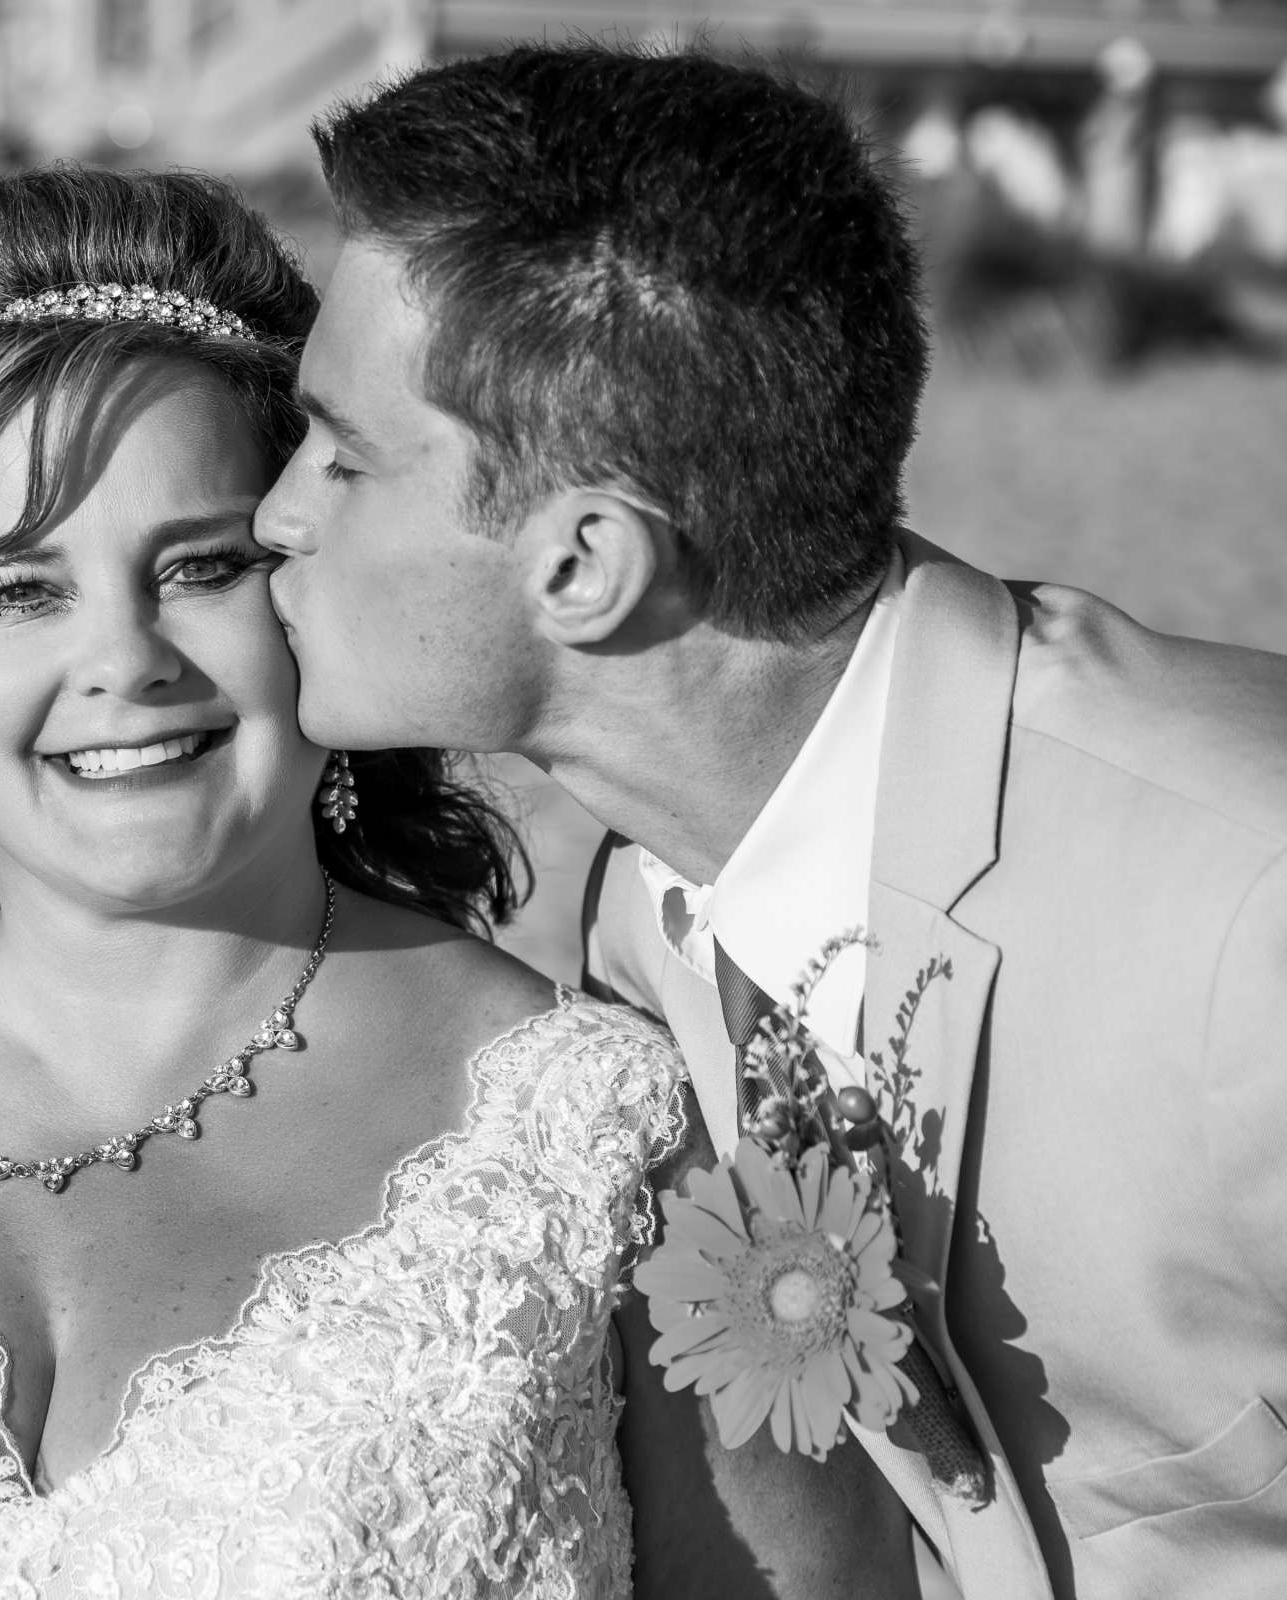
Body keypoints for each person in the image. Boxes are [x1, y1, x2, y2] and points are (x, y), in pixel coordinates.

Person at [0, 166, 913, 1599]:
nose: (126, 660)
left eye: (199, 567)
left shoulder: (618, 1147)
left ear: (302, 589)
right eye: (20, 590)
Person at [252, 46, 1287, 1600]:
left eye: (343, 456)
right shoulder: (623, 922)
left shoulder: (1248, 903)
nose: (278, 514)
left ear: (584, 565)